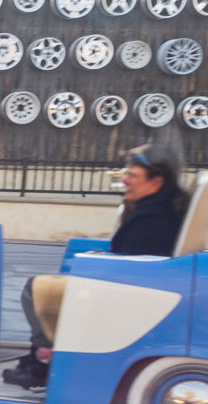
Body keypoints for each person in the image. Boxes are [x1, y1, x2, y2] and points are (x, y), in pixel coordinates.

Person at [10, 143, 189, 390]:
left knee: (37, 288)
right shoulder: (156, 209)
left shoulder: (153, 219)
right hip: (132, 285)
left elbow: (129, 266)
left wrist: (92, 267)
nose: (125, 180)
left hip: (127, 294)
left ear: (156, 182)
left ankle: (45, 359)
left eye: (132, 176)